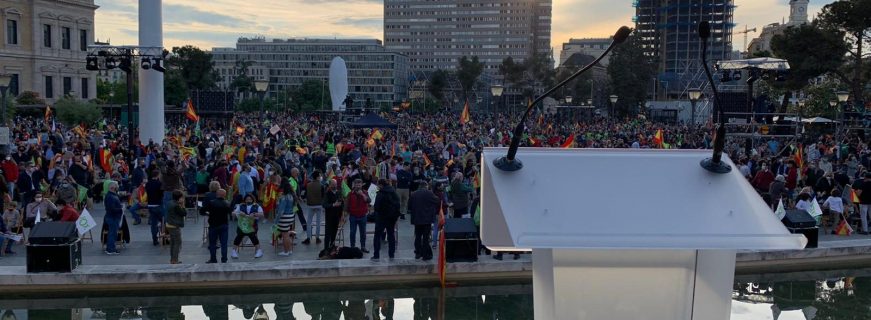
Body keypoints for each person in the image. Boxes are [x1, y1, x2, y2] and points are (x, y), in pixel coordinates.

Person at [408, 181, 439, 261]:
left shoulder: (413, 194)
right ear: (426, 186)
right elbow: (437, 201)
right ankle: (425, 255)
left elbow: (409, 206)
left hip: (417, 219)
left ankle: (418, 253)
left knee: (417, 237)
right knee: (426, 238)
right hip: (426, 219)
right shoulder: (429, 193)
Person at [372, 179, 400, 260]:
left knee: (377, 236)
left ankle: (376, 255)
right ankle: (391, 254)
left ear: (381, 185)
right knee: (391, 235)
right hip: (391, 218)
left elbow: (376, 207)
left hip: (381, 218)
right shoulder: (393, 192)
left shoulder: (380, 193)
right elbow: (398, 204)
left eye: (378, 185)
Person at [231, 194, 264, 259]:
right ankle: (234, 251)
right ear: (245, 200)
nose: (248, 200)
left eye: (250, 199)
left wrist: (255, 214)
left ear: (252, 199)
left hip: (252, 226)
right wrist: (239, 213)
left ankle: (258, 250)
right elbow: (233, 213)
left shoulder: (257, 206)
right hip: (242, 225)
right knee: (239, 235)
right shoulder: (241, 206)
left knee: (252, 235)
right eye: (247, 199)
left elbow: (262, 215)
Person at [204, 189, 232, 263]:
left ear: (217, 194)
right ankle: (224, 259)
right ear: (224, 195)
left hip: (213, 225)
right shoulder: (227, 203)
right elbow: (230, 213)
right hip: (224, 225)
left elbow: (204, 211)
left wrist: (209, 214)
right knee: (224, 244)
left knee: (212, 243)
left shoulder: (212, 202)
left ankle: (213, 259)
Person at [345, 179, 370, 253]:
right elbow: (346, 204)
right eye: (356, 184)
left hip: (362, 216)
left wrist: (362, 194)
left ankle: (363, 246)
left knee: (363, 233)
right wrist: (345, 213)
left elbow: (369, 200)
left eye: (359, 184)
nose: (358, 186)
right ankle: (352, 247)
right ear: (354, 185)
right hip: (353, 216)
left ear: (362, 185)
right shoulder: (350, 193)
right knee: (352, 232)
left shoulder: (365, 192)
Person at [275, 176, 296, 256]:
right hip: (291, 216)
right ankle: (290, 250)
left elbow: (281, 211)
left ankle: (286, 251)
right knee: (287, 234)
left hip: (284, 218)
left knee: (285, 235)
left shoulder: (284, 197)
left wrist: (276, 221)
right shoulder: (292, 196)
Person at [303, 170, 325, 245]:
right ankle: (317, 238)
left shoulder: (308, 185)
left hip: (310, 205)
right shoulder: (321, 185)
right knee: (318, 222)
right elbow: (323, 196)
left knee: (309, 222)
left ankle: (308, 238)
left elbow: (306, 195)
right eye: (320, 176)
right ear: (318, 177)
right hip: (319, 205)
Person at [166, 190, 186, 264]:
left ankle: (172, 259)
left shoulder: (169, 203)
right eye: (182, 198)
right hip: (174, 225)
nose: (183, 199)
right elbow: (184, 213)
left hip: (169, 224)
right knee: (177, 243)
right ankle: (175, 260)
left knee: (173, 243)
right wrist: (183, 205)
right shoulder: (176, 206)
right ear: (179, 198)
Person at [322, 179, 343, 251]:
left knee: (334, 233)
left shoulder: (339, 192)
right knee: (327, 233)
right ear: (330, 185)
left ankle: (332, 246)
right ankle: (326, 248)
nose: (335, 185)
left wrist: (342, 215)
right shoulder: (327, 193)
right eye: (333, 184)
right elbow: (324, 205)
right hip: (329, 216)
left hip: (337, 216)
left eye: (335, 184)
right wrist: (333, 205)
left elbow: (341, 202)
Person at [103, 181, 123, 255]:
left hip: (113, 217)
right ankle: (111, 249)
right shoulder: (110, 197)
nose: (117, 186)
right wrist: (120, 209)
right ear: (112, 187)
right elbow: (111, 208)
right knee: (112, 233)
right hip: (112, 217)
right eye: (116, 185)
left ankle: (110, 248)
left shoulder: (112, 195)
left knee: (112, 233)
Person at [145, 172, 164, 245]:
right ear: (157, 175)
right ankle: (164, 236)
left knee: (153, 223)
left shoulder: (148, 183)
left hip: (150, 205)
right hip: (158, 204)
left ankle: (154, 239)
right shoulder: (159, 183)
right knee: (164, 220)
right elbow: (161, 193)